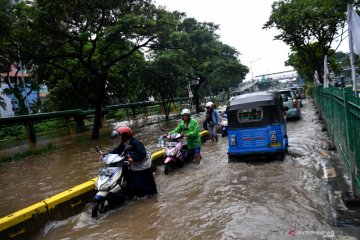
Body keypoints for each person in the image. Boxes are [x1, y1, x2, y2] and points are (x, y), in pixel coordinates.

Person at [109, 126, 157, 199]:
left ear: (125, 136)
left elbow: (142, 153)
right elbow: (116, 151)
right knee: (130, 181)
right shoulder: (124, 143)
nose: (119, 138)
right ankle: (131, 195)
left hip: (142, 166)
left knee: (139, 184)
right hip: (133, 165)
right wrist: (106, 155)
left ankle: (149, 197)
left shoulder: (136, 143)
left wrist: (133, 158)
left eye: (120, 136)